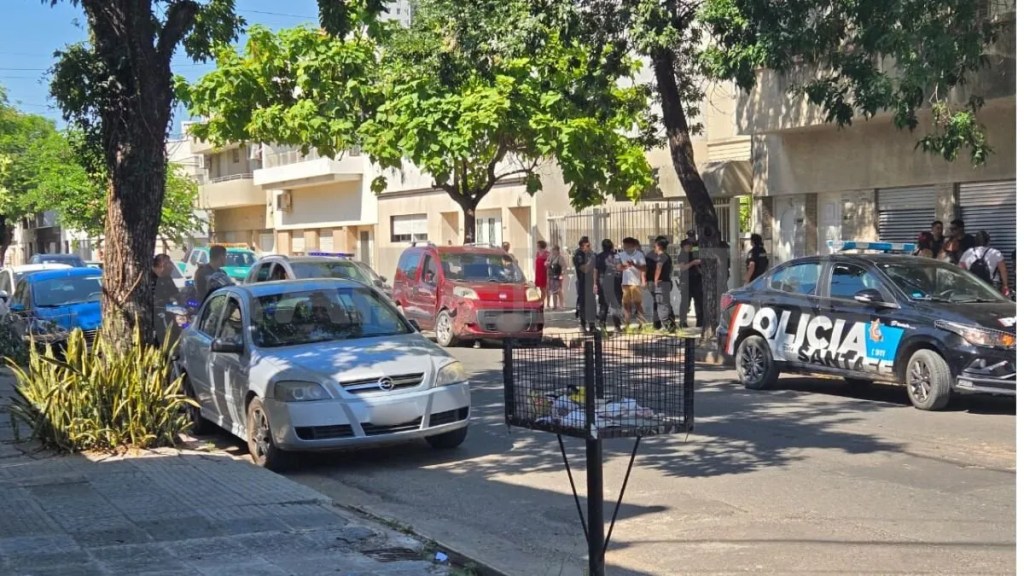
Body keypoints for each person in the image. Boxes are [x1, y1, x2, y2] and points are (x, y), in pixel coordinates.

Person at [959, 230, 1010, 296]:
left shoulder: (968, 252)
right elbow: (1003, 270)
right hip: (992, 285)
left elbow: (961, 269)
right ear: (988, 241)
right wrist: (1005, 285)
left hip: (973, 284)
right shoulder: (995, 253)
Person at [617, 237, 647, 328]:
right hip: (625, 283)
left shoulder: (639, 255)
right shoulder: (621, 254)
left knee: (637, 304)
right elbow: (618, 267)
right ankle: (627, 324)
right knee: (626, 305)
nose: (626, 248)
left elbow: (644, 268)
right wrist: (623, 266)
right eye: (624, 246)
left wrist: (634, 264)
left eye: (628, 246)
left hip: (636, 283)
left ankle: (641, 324)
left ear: (633, 246)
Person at [595, 239, 622, 332]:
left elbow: (596, 271)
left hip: (603, 281)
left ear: (603, 247)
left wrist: (595, 283)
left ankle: (602, 328)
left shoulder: (598, 257)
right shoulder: (616, 256)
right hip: (614, 281)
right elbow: (619, 268)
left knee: (603, 305)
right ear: (611, 246)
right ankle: (617, 327)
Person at [650, 237, 676, 332]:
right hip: (666, 283)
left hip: (661, 285)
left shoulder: (661, 256)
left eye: (655, 245)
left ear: (659, 246)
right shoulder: (667, 256)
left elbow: (658, 268)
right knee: (666, 305)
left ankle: (670, 328)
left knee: (662, 309)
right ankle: (672, 327)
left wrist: (656, 280)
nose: (654, 247)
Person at [677, 238, 703, 328]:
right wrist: (693, 263)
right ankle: (682, 322)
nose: (690, 247)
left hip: (697, 282)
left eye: (691, 245)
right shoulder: (682, 255)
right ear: (684, 246)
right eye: (688, 245)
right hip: (686, 282)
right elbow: (682, 267)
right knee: (685, 303)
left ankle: (700, 321)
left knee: (699, 303)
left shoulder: (694, 254)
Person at [572, 237, 597, 331]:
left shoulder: (591, 254)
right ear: (582, 246)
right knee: (583, 304)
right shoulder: (578, 255)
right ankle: (582, 325)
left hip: (591, 282)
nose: (590, 247)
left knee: (592, 304)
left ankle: (592, 325)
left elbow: (595, 269)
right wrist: (592, 260)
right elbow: (585, 269)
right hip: (582, 282)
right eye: (588, 245)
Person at [535, 240, 550, 305]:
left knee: (544, 288)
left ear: (541, 245)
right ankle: (542, 302)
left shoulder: (547, 253)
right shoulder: (537, 253)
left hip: (544, 272)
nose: (537, 246)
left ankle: (542, 302)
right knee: (540, 288)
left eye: (538, 245)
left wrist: (547, 264)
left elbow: (549, 262)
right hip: (538, 272)